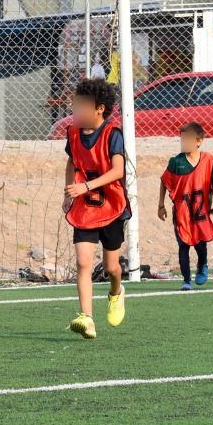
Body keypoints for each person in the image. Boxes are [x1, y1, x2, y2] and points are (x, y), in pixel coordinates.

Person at [62, 78, 129, 340]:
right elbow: (71, 161)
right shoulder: (72, 132)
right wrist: (69, 190)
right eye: (75, 105)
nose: (76, 110)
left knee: (112, 267)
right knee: (82, 262)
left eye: (82, 105)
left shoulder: (113, 134)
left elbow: (118, 170)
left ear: (99, 108)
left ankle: (116, 292)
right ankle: (86, 317)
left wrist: (86, 186)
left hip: (111, 206)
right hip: (85, 209)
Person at [158, 122, 213, 290]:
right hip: (181, 213)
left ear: (199, 141)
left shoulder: (208, 160)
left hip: (201, 213)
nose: (184, 143)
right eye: (182, 139)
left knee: (200, 244)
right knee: (183, 245)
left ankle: (203, 265)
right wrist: (161, 205)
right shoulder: (176, 162)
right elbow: (164, 182)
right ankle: (186, 280)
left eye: (188, 139)